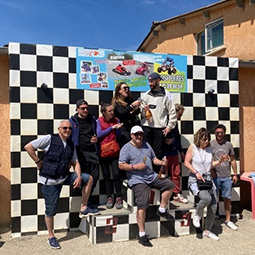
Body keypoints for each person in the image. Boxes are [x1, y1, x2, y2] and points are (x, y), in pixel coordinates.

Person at [24, 120, 99, 250]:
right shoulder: (50, 139)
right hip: (50, 181)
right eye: (64, 128)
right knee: (51, 210)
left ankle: (84, 207)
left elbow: (76, 162)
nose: (67, 130)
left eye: (69, 128)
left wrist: (79, 177)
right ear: (59, 129)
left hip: (64, 176)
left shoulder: (70, 144)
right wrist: (38, 161)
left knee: (89, 178)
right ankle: (51, 236)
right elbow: (28, 147)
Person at [118, 125, 174, 247]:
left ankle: (162, 209)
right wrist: (135, 167)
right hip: (137, 178)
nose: (139, 136)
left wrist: (161, 162)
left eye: (141, 134)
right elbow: (121, 165)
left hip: (151, 176)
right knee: (143, 202)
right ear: (132, 135)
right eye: (136, 134)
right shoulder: (126, 148)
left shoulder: (147, 145)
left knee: (169, 185)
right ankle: (142, 233)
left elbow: (154, 159)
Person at [184, 127, 229, 241]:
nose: (206, 141)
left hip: (207, 179)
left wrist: (220, 161)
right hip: (195, 179)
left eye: (208, 139)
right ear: (198, 139)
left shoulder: (209, 149)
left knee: (213, 205)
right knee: (206, 198)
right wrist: (196, 172)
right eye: (204, 139)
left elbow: (210, 165)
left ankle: (207, 230)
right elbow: (186, 162)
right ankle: (197, 215)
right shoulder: (193, 147)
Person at [141, 72, 177, 172]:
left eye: (152, 81)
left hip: (159, 128)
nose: (150, 83)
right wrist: (144, 110)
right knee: (146, 152)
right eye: (149, 81)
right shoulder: (146, 95)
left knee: (158, 153)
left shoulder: (167, 95)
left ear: (158, 81)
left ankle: (156, 176)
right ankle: (146, 174)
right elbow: (142, 115)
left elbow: (172, 112)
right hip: (147, 127)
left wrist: (169, 127)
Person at [69, 100, 99, 205]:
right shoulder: (73, 121)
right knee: (83, 178)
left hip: (92, 151)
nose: (85, 110)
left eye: (87, 108)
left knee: (95, 177)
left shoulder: (92, 119)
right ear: (77, 109)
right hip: (79, 152)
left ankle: (87, 200)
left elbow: (96, 133)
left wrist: (96, 139)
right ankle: (84, 203)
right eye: (82, 108)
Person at [211, 124, 238, 230]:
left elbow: (233, 160)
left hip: (226, 176)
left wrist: (235, 174)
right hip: (215, 176)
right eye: (217, 132)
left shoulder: (228, 145)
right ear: (215, 133)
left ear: (225, 133)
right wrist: (210, 171)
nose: (219, 134)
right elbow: (207, 159)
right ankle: (211, 221)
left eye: (221, 132)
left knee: (227, 199)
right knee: (213, 200)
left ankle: (228, 220)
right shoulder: (211, 144)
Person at [97, 102, 123, 209]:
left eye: (112, 110)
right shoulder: (99, 121)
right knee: (106, 176)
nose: (112, 113)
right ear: (103, 112)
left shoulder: (117, 120)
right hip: (103, 153)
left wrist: (118, 130)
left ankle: (118, 197)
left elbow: (119, 137)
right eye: (109, 111)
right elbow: (99, 134)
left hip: (114, 152)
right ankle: (109, 197)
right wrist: (112, 128)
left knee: (116, 175)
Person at [163, 103, 187, 203]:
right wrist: (164, 141)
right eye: (179, 115)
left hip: (173, 151)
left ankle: (176, 194)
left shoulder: (175, 124)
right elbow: (157, 135)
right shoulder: (164, 121)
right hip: (164, 152)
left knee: (176, 173)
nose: (180, 117)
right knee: (163, 174)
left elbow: (177, 137)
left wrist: (181, 151)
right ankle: (163, 194)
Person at [112, 82, 141, 147]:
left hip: (133, 127)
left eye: (128, 88)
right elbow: (123, 112)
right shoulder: (117, 102)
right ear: (119, 91)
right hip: (123, 129)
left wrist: (136, 107)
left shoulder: (130, 99)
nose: (127, 89)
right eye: (124, 88)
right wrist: (132, 106)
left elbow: (137, 112)